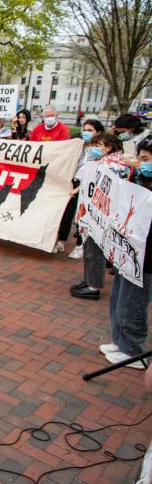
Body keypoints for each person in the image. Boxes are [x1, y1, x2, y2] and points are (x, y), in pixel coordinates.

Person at [101, 138, 152, 369]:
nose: (139, 163)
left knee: (131, 304)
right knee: (118, 299)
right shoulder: (139, 180)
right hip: (127, 250)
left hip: (144, 257)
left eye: (145, 159)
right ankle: (120, 342)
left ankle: (134, 350)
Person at [71, 132, 126, 299]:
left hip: (101, 216)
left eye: (98, 146)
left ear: (108, 147)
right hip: (91, 212)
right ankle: (89, 280)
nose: (94, 149)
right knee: (89, 249)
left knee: (94, 252)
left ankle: (93, 286)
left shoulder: (114, 166)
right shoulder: (99, 163)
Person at [64, 119, 105, 260]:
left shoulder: (99, 151)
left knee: (83, 216)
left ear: (98, 132)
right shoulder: (78, 146)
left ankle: (80, 245)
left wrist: (79, 188)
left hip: (88, 186)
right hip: (73, 182)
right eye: (85, 130)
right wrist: (70, 183)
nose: (86, 133)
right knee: (66, 214)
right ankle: (61, 240)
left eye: (90, 130)